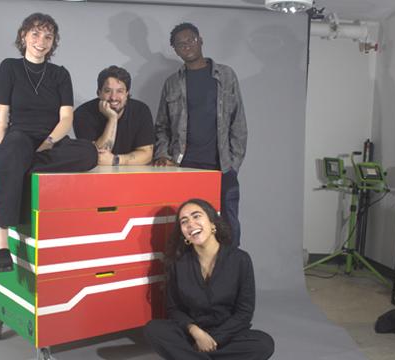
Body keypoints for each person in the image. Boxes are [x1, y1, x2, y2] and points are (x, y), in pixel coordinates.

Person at [0, 13, 97, 272]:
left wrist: (48, 142)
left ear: (53, 43)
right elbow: (3, 119)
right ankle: (0, 238)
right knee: (13, 149)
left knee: (88, 153)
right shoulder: (9, 68)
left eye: (48, 36)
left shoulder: (60, 74)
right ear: (23, 36)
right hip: (20, 136)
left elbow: (66, 118)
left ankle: (3, 166)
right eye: (35, 34)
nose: (41, 41)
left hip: (52, 138)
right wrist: (4, 148)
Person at [154, 23, 247, 248]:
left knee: (228, 226)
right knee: (187, 227)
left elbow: (239, 122)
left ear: (200, 40)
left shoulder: (225, 75)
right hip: (184, 168)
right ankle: (193, 277)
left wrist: (233, 163)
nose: (187, 46)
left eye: (191, 40)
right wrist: (163, 155)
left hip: (221, 168)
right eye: (180, 44)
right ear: (175, 50)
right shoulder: (172, 83)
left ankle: (228, 276)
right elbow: (161, 126)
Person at [144, 199, 274, 360]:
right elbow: (174, 309)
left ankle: (191, 356)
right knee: (154, 329)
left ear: (212, 223)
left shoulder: (240, 259)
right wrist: (196, 332)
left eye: (196, 216)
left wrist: (214, 339)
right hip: (192, 333)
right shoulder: (178, 263)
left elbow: (244, 312)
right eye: (184, 222)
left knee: (263, 343)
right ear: (183, 233)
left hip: (228, 334)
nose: (191, 224)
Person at [74, 65, 154, 165]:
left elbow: (146, 155)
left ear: (127, 94)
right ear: (99, 93)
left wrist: (115, 160)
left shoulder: (141, 111)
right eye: (107, 91)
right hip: (95, 174)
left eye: (120, 91)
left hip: (132, 173)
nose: (113, 97)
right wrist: (112, 119)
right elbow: (94, 157)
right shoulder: (83, 113)